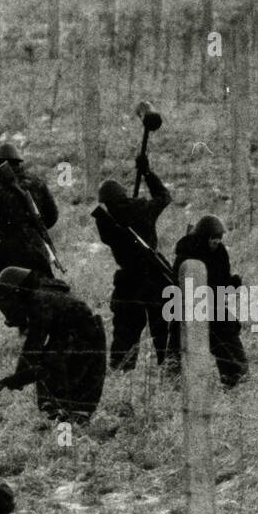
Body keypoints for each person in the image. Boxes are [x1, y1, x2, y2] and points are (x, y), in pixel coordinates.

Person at [0, 266, 107, 423]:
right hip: (85, 336)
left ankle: (64, 438)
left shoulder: (40, 299)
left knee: (62, 399)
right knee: (70, 401)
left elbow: (34, 343)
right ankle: (67, 437)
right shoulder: (46, 289)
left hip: (80, 341)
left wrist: (19, 377)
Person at [90, 153, 173, 371]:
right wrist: (147, 173)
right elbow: (164, 197)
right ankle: (170, 368)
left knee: (125, 331)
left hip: (129, 279)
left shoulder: (105, 224)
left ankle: (121, 370)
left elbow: (119, 215)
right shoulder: (142, 208)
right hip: (156, 275)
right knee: (163, 327)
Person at [168, 214, 248, 387]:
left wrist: (231, 284)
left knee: (229, 338)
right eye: (213, 239)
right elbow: (180, 287)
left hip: (214, 306)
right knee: (177, 351)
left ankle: (235, 381)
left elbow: (222, 280)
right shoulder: (186, 256)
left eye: (219, 239)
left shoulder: (220, 252)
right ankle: (174, 386)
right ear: (204, 237)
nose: (217, 243)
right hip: (188, 308)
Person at [0, 141, 61, 282]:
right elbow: (52, 216)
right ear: (18, 162)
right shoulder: (37, 182)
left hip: (9, 250)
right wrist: (35, 227)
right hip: (37, 247)